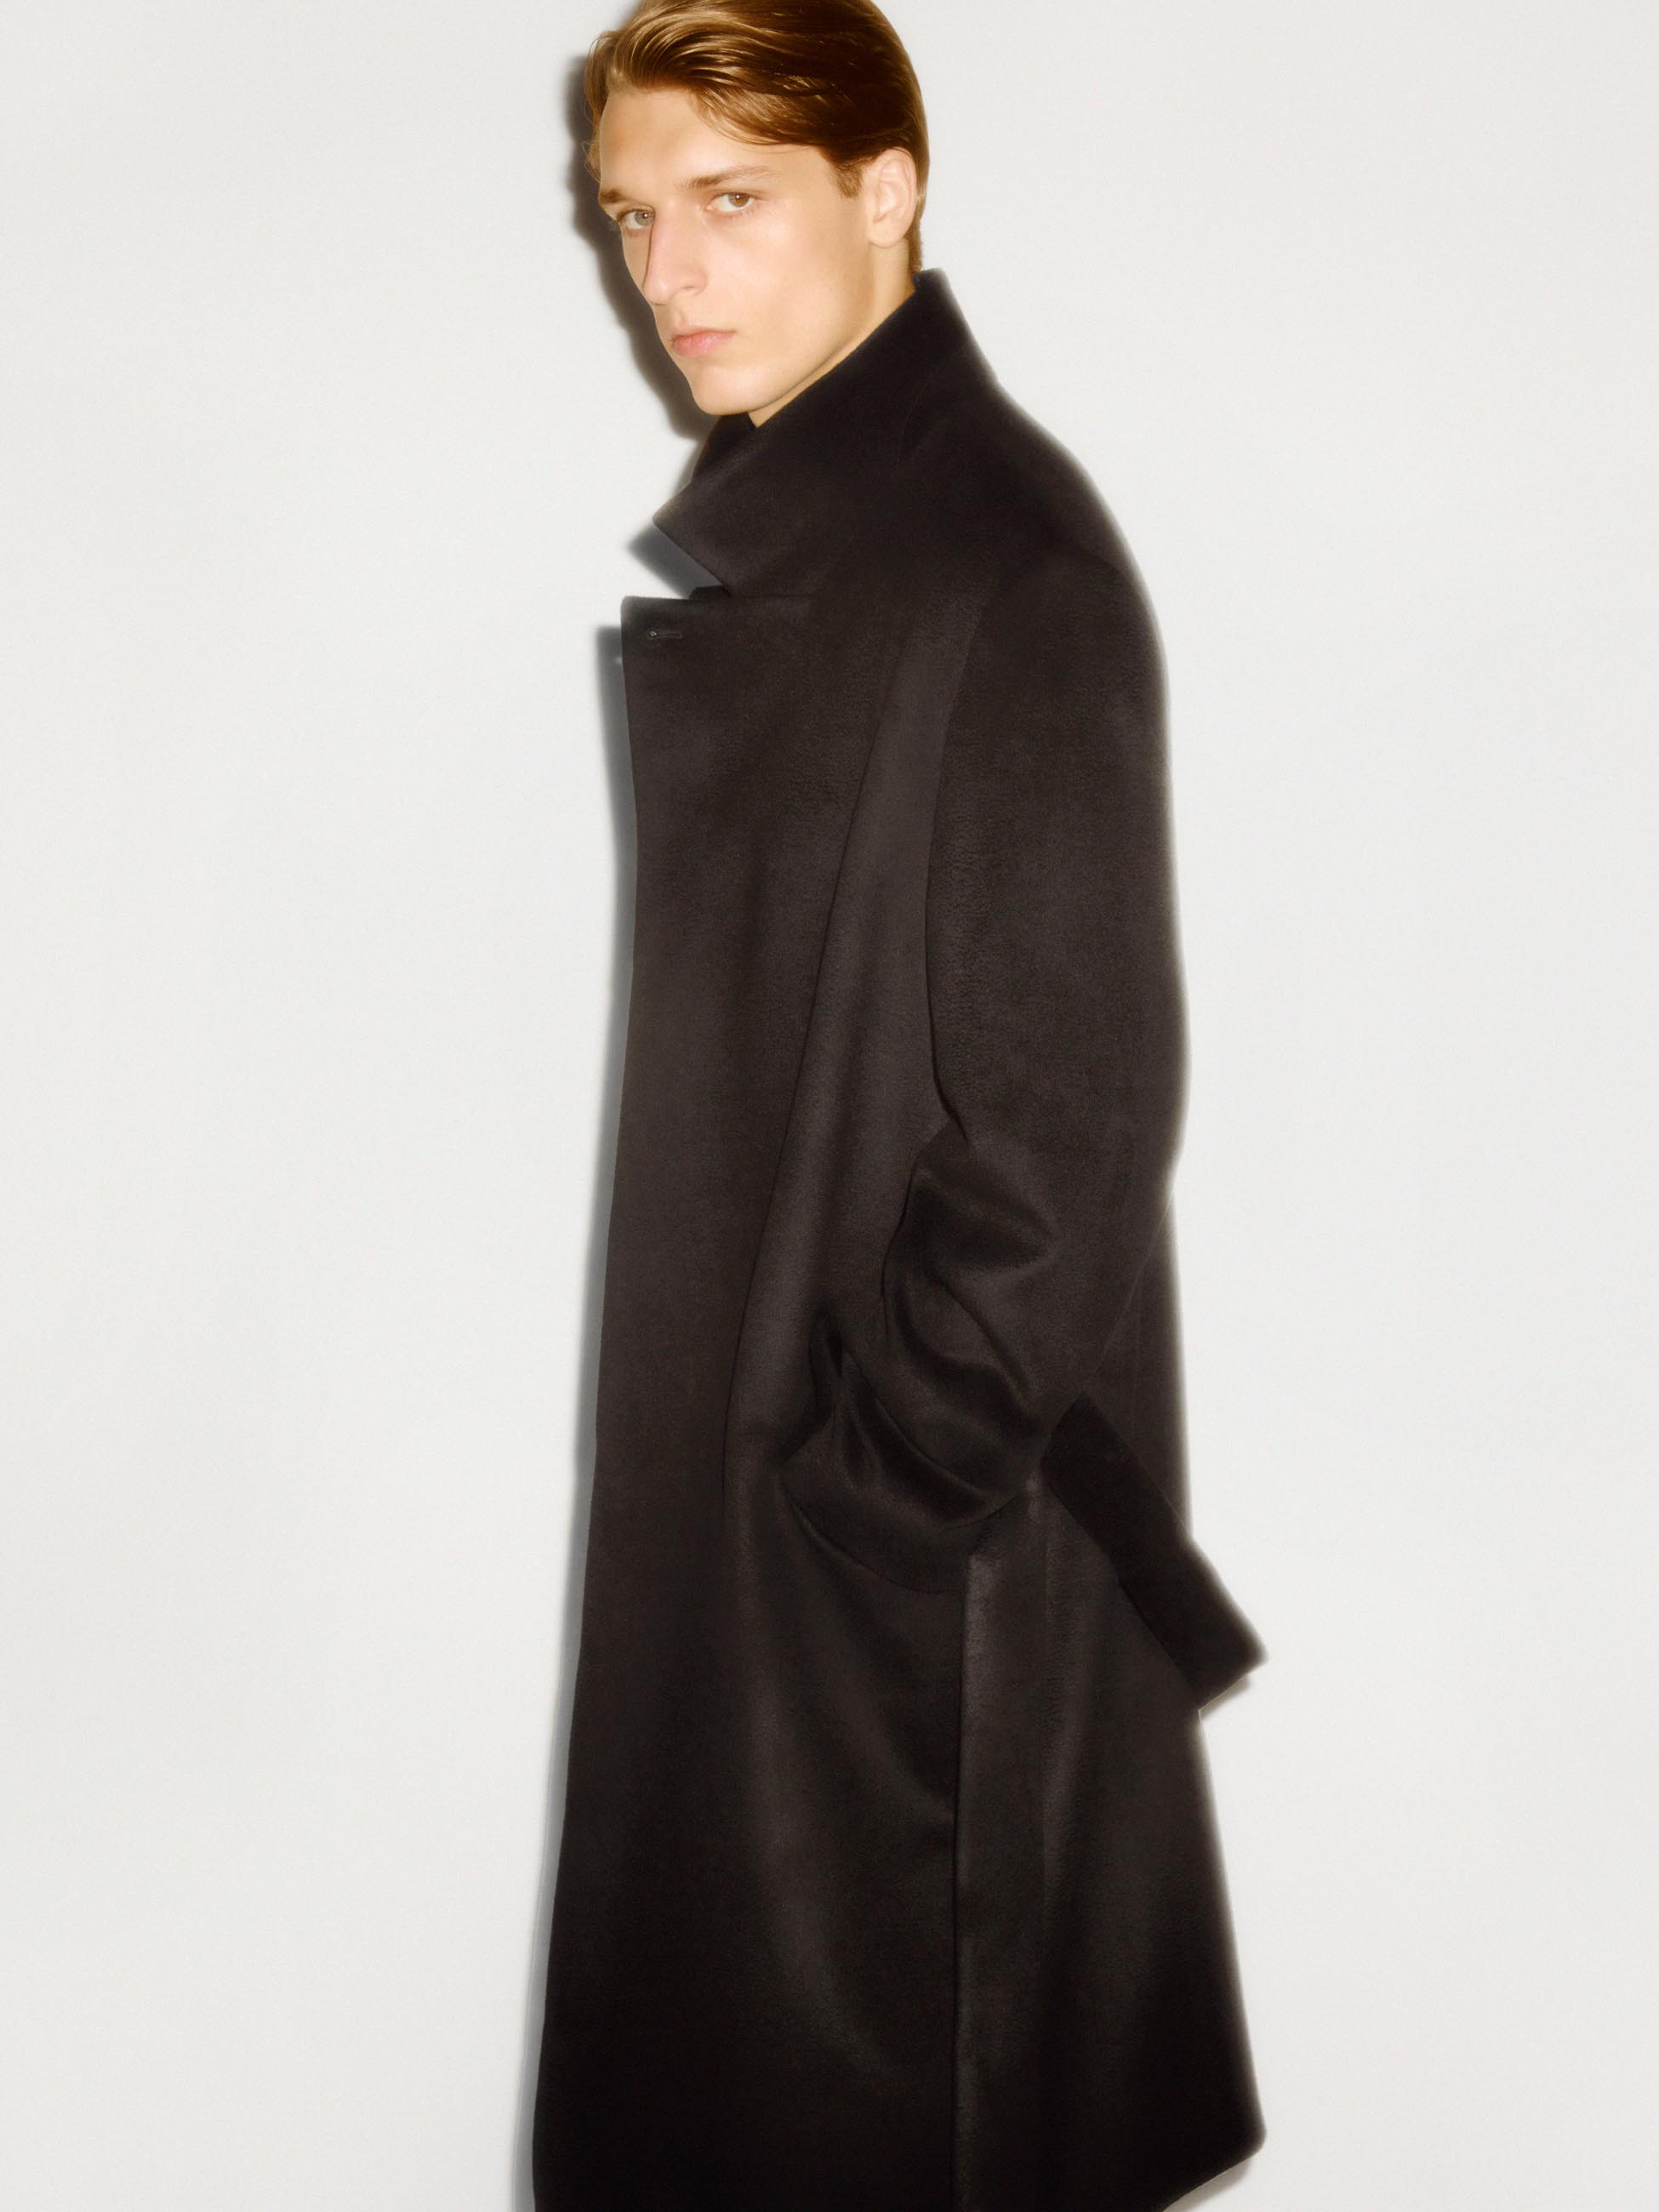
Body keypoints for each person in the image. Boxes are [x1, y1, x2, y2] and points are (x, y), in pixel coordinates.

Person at [532, 6, 1268, 2208]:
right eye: (634, 218)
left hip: (918, 1615)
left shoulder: (997, 572)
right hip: (814, 1541)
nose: (670, 273)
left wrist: (861, 1505)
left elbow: (1064, 1137)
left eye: (729, 200)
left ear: (889, 191)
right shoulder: (839, 549)